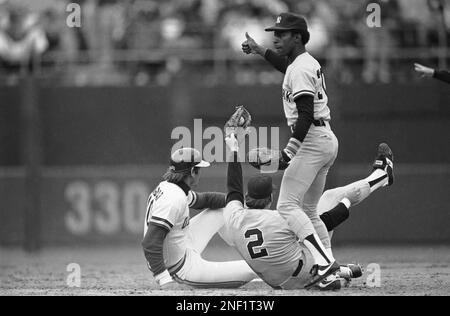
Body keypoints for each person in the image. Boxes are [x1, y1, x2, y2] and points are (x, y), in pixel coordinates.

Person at [223, 133, 395, 290]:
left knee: (302, 232)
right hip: (305, 274)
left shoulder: (234, 217)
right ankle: (381, 176)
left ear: (246, 197)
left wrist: (234, 149)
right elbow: (323, 222)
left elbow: (233, 187)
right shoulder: (280, 218)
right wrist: (346, 202)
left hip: (277, 282)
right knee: (330, 198)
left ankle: (344, 271)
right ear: (270, 198)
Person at [242, 12, 339, 279]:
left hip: (312, 141)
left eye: (282, 33)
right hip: (324, 138)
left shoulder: (301, 67)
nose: (276, 37)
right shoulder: (303, 63)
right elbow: (286, 67)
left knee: (286, 206)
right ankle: (329, 265)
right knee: (308, 210)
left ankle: (323, 263)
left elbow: (305, 113)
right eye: (275, 33)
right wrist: (260, 50)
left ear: (297, 36)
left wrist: (288, 152)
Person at [141, 147, 257, 289]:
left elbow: (205, 200)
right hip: (181, 269)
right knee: (252, 268)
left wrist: (239, 203)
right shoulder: (173, 199)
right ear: (191, 172)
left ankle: (247, 248)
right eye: (199, 169)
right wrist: (164, 279)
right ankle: (256, 257)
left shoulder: (171, 187)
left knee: (225, 208)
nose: (200, 173)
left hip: (183, 246)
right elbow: (150, 243)